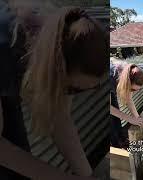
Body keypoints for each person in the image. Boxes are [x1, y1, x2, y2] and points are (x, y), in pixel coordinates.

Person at [0, 5, 106, 180]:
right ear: (54, 70)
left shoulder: (62, 40)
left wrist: (88, 177)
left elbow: (60, 117)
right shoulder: (4, 51)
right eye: (72, 89)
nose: (74, 94)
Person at [110, 62, 143, 148]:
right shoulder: (110, 79)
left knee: (116, 115)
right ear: (127, 83)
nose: (133, 91)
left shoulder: (127, 72)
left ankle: (120, 140)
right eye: (132, 89)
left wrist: (137, 118)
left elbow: (129, 99)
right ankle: (115, 146)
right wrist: (130, 119)